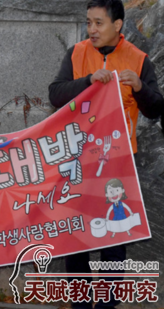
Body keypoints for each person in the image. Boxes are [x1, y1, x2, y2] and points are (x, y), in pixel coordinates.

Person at [48, 0, 164, 308]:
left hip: (118, 163)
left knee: (115, 236)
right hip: (77, 162)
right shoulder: (76, 53)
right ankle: (81, 303)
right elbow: (55, 93)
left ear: (118, 25)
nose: (92, 29)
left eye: (99, 23)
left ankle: (108, 303)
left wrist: (139, 86)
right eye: (88, 23)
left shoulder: (138, 60)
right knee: (76, 237)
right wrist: (87, 82)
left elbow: (155, 108)